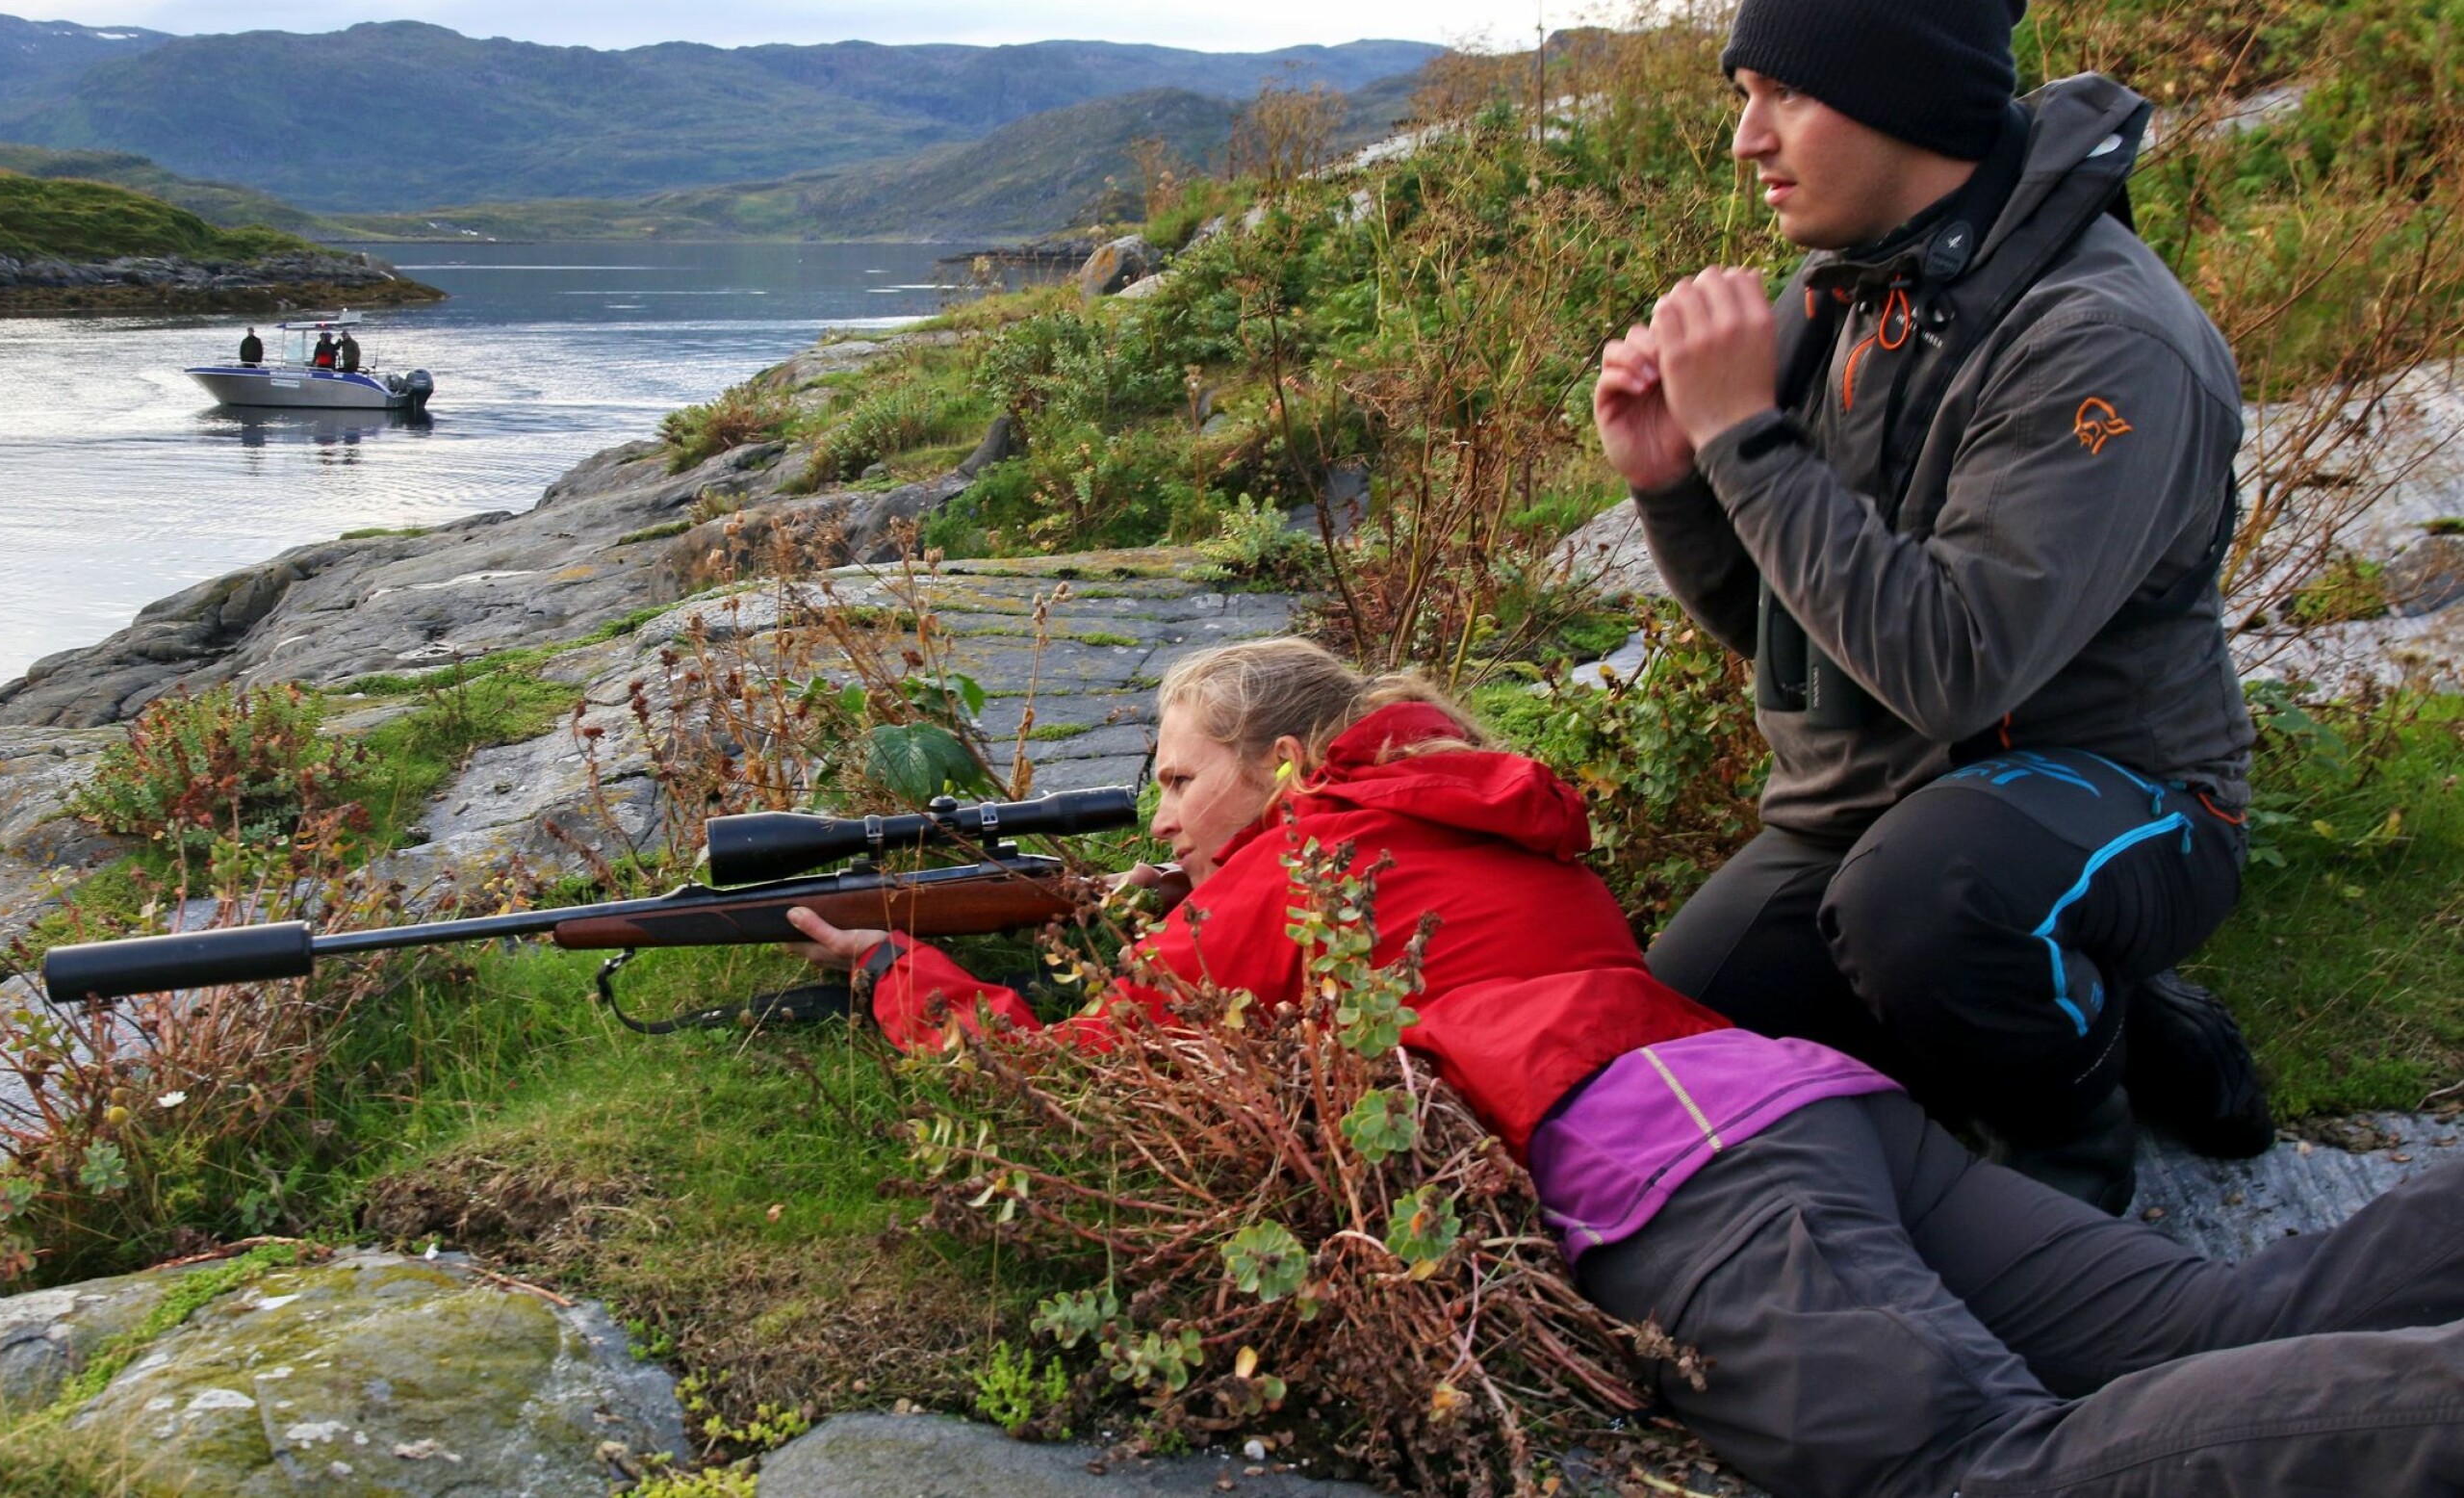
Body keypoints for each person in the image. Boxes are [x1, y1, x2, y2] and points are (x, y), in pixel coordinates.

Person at [785, 637, 2464, 1498]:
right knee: (2218, 1314)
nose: (1158, 817)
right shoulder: (1456, 807)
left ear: (1284, 765)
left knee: (1968, 1469)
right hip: (1805, 1106)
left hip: (1678, 1176)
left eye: (1174, 778)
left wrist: (899, 974)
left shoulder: (1285, 877)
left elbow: (1068, 1082)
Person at [1588, 0, 2266, 1210]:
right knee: (1689, 1031)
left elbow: (1955, 664)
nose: (1748, 138)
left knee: (1929, 903)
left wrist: (1744, 434)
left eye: (1784, 95)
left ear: (1902, 98)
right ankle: (2110, 1012)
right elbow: (1790, 628)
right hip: (1885, 807)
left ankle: (2068, 1188)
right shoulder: (1839, 297)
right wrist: (1675, 482)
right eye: (1744, 94)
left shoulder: (2103, 339)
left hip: (2124, 797)